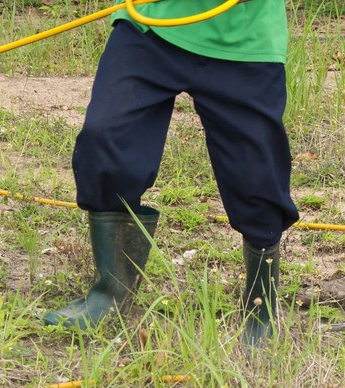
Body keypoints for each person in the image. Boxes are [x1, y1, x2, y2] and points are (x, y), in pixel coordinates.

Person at [42, 0, 300, 346]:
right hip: (150, 25)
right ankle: (110, 294)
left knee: (256, 177)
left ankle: (260, 307)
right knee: (105, 141)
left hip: (244, 40)